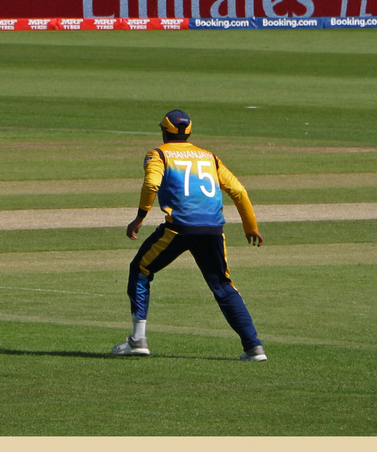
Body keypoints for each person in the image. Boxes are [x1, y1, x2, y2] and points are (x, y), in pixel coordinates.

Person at [114, 110, 267, 362]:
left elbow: (152, 184)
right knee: (223, 285)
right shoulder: (210, 157)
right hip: (213, 229)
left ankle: (138, 340)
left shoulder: (158, 154)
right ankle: (254, 347)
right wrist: (250, 227)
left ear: (164, 131)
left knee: (140, 269)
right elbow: (238, 190)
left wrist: (139, 218)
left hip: (180, 228)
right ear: (189, 132)